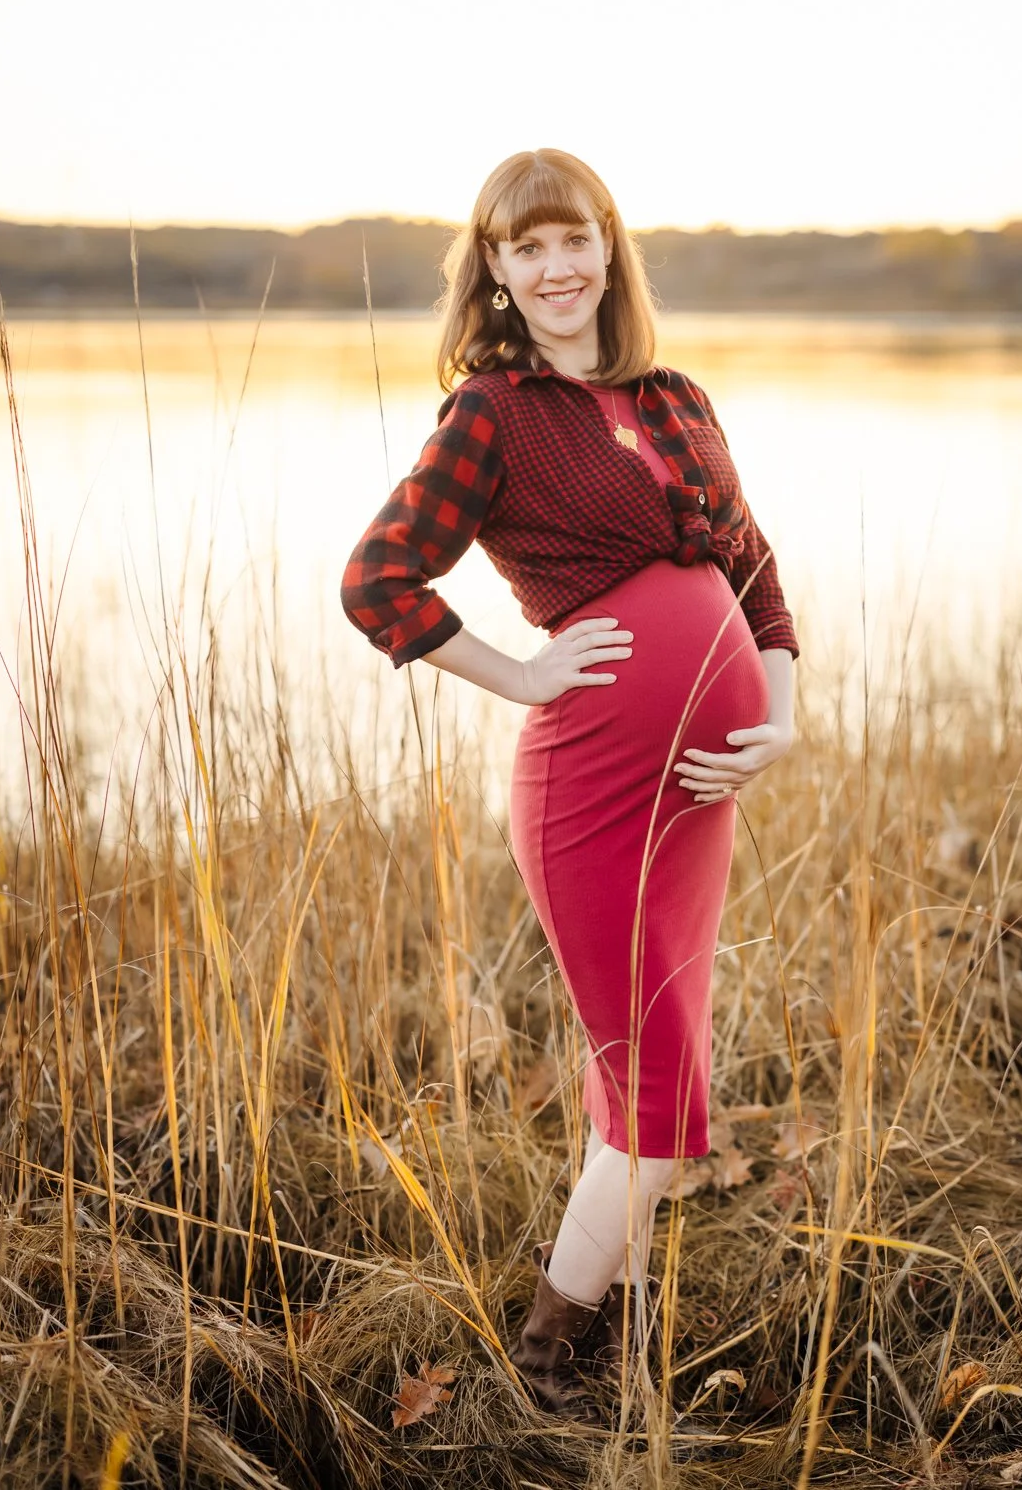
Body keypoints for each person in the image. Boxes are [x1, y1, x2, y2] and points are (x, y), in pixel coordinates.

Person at [340, 149, 798, 1419]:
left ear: (610, 247)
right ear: (493, 268)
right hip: (590, 793)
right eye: (525, 247)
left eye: (575, 239)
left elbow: (755, 573)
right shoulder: (492, 412)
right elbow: (378, 580)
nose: (556, 268)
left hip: (703, 793)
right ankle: (544, 1363)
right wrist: (524, 674)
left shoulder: (675, 395)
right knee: (655, 1103)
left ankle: (615, 1318)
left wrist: (783, 719)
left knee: (647, 1075)